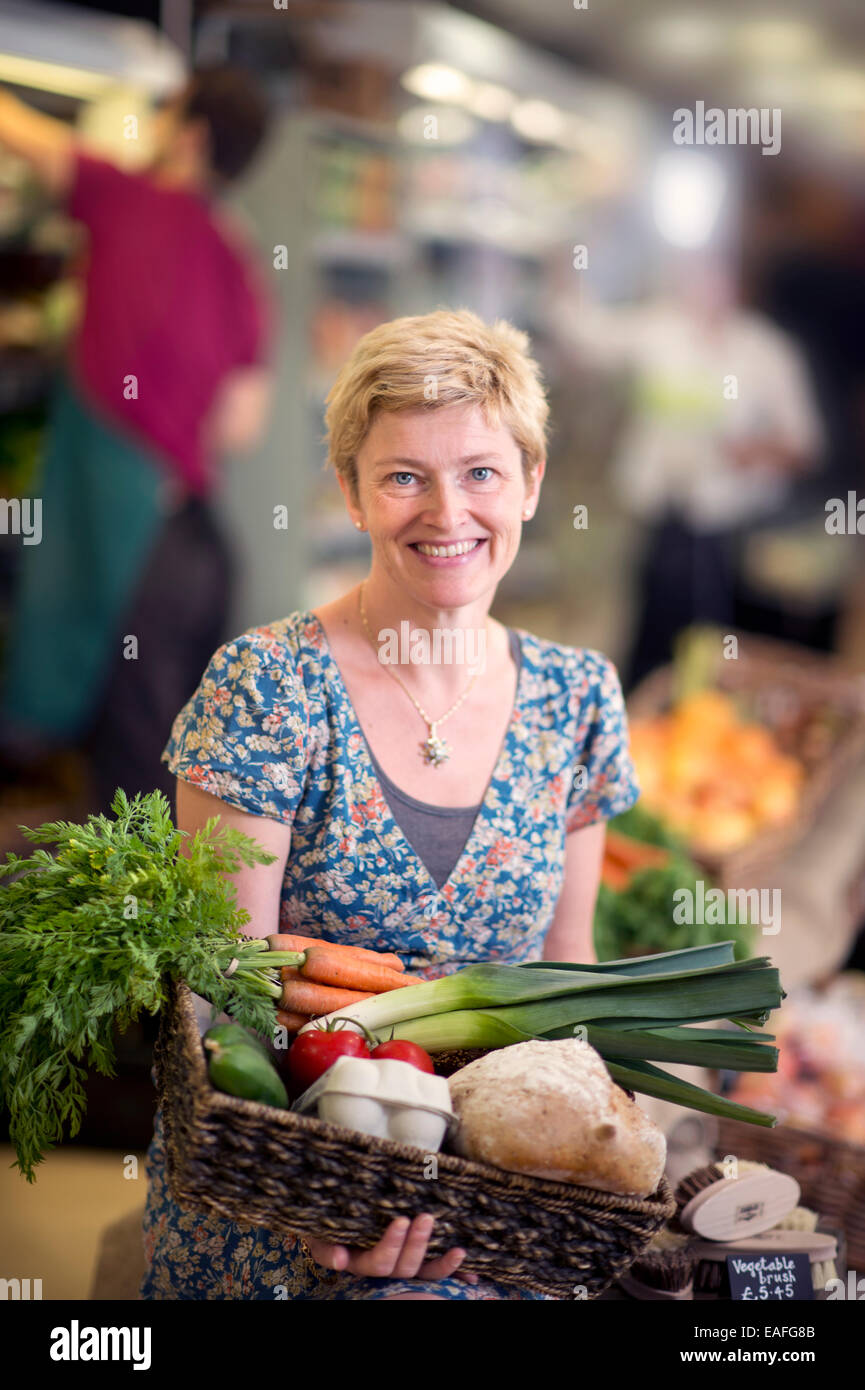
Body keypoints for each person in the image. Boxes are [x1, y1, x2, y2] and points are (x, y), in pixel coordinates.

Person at [140, 308, 640, 1301]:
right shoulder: (269, 684)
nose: (446, 511)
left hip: (482, 1196)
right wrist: (335, 1194)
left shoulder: (577, 699)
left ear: (531, 484)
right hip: (277, 1179)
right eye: (404, 475)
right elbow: (223, 996)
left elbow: (566, 973)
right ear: (353, 494)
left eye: (482, 472)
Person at [0, 67, 274, 813]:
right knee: (139, 767)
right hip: (186, 541)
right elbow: (241, 425)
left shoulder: (130, 199)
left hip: (115, 514)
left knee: (72, 716)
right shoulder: (239, 260)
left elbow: (17, 130)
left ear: (188, 134)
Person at [545, 254, 824, 690]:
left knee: (708, 632)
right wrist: (565, 271)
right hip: (658, 513)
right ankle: (639, 704)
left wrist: (752, 451)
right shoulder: (660, 331)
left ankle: (699, 710)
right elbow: (588, 335)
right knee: (649, 616)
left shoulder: (765, 352)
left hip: (725, 526)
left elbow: (803, 444)